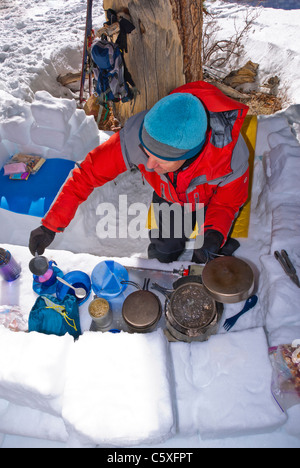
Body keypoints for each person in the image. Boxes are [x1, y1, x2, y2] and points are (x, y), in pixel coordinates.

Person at [29, 81, 250, 264]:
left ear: (188, 154)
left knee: (208, 249)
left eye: (162, 161)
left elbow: (225, 204)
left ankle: (216, 241)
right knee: (165, 251)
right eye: (146, 153)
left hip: (210, 201)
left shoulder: (229, 157)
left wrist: (214, 234)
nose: (150, 166)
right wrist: (50, 225)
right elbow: (86, 174)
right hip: (169, 198)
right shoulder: (136, 135)